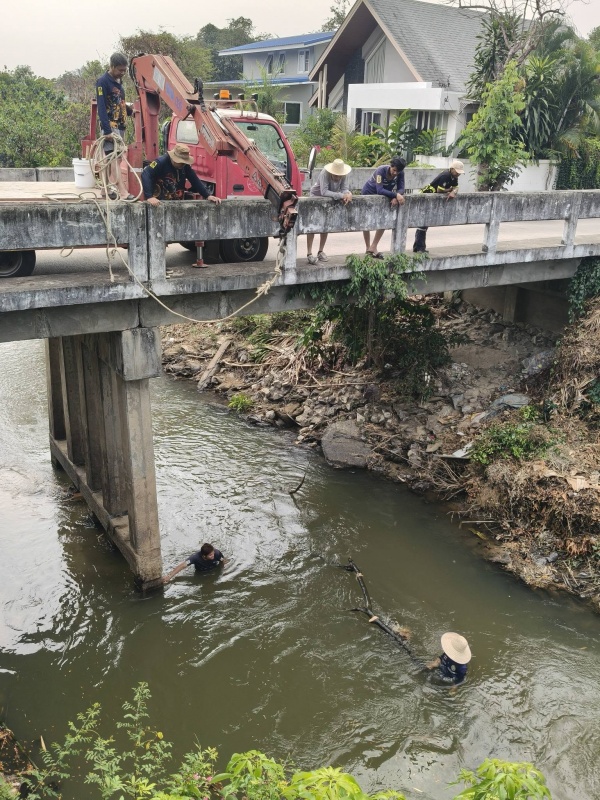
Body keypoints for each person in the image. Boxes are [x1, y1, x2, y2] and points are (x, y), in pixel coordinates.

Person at [95, 53, 134, 200]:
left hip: (120, 126)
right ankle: (123, 192)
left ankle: (104, 190)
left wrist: (130, 111)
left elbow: (119, 102)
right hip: (110, 126)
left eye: (124, 70)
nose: (122, 73)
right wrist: (107, 130)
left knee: (113, 159)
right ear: (111, 66)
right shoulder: (102, 82)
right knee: (113, 158)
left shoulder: (118, 81)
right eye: (120, 70)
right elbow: (101, 107)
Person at [142, 144, 222, 207]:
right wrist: (149, 197)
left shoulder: (185, 166)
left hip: (177, 201)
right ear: (174, 158)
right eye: (180, 162)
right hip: (159, 201)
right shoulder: (161, 162)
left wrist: (207, 195)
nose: (182, 164)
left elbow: (194, 179)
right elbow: (146, 173)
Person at [306, 158, 353, 265]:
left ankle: (320, 251)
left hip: (330, 199)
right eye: (335, 175)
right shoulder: (324, 173)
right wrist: (341, 195)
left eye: (339, 175)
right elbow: (324, 191)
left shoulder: (344, 175)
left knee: (325, 225)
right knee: (312, 226)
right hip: (316, 197)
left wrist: (348, 194)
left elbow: (344, 188)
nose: (338, 178)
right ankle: (309, 253)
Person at [412, 159, 465, 253]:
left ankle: (418, 247)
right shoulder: (446, 175)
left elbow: (456, 187)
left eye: (459, 173)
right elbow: (439, 190)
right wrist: (450, 190)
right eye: (457, 172)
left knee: (424, 224)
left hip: (431, 200)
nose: (458, 174)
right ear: (452, 169)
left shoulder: (454, 177)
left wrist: (453, 191)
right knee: (423, 223)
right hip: (425, 198)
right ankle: (419, 248)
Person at [361, 156, 406, 259]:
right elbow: (379, 190)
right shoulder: (380, 171)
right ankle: (368, 247)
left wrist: (396, 196)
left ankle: (373, 246)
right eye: (394, 170)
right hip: (369, 194)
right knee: (366, 222)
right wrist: (395, 195)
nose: (395, 173)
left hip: (385, 197)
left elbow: (401, 188)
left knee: (384, 220)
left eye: (398, 172)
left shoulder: (400, 173)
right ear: (391, 166)